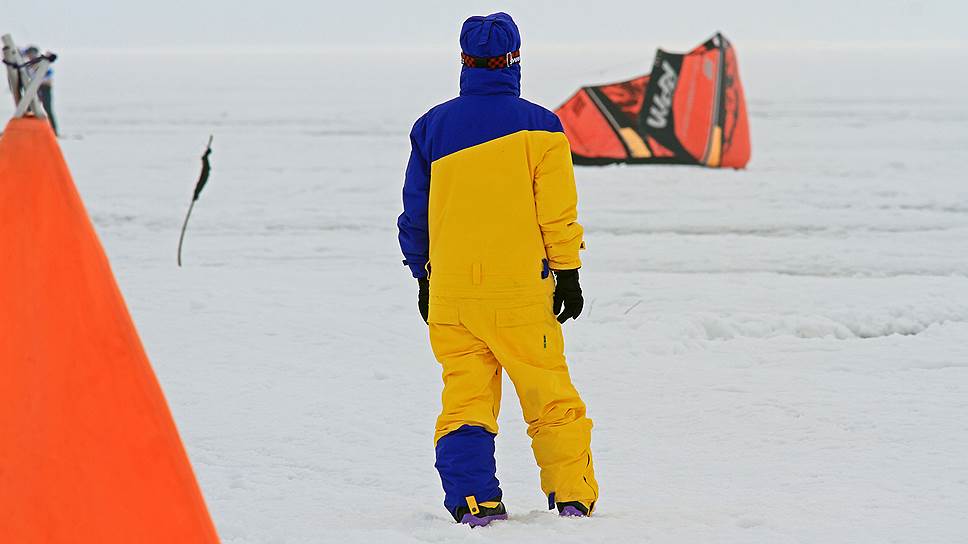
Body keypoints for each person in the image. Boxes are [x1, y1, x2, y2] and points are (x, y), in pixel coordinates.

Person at [397, 12, 598, 527]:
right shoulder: (542, 126)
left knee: (465, 400)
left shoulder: (431, 127)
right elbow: (557, 212)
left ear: (464, 61)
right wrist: (568, 272)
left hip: (452, 295)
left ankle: (475, 505)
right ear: (513, 61)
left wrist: (422, 276)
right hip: (520, 296)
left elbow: (414, 214)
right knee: (549, 395)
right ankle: (572, 499)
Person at [23, 46, 58, 136]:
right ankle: (28, 130)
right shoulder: (28, 65)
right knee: (29, 108)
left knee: (47, 108)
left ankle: (54, 131)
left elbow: (48, 77)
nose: (30, 55)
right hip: (34, 88)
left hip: (44, 88)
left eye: (32, 53)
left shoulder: (42, 63)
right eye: (29, 54)